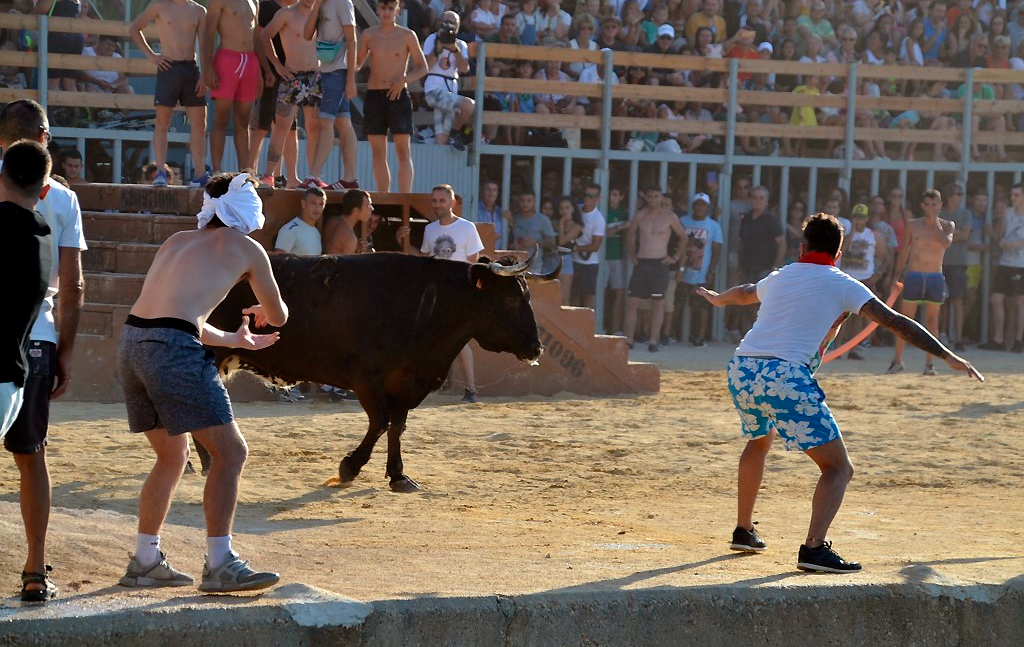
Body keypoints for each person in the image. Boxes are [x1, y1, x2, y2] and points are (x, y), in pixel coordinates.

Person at [699, 213, 983, 574]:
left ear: (801, 247)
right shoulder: (844, 283)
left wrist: (717, 299)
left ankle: (743, 529)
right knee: (838, 469)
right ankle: (813, 549)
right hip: (784, 377)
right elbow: (897, 322)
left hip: (742, 369)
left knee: (758, 441)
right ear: (839, 250)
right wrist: (947, 355)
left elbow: (742, 293)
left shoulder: (782, 274)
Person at [117, 172, 288, 593]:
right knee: (231, 453)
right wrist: (264, 310)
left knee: (172, 456)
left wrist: (235, 340)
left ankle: (144, 561)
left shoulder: (175, 241)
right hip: (171, 351)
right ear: (247, 212)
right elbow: (279, 315)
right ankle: (220, 563)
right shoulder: (247, 248)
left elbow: (176, 316)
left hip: (132, 343)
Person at [0, 140, 55, 601]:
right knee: (30, 456)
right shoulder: (43, 235)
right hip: (22, 366)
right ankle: (35, 568)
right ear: (44, 190)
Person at [397, 184, 484, 403]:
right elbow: (425, 260)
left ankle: (471, 389)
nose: (437, 205)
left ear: (452, 203)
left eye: (441, 201)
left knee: (460, 341)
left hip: (458, 293)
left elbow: (475, 262)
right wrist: (403, 242)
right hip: (435, 293)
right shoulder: (431, 229)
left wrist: (470, 292)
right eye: (434, 201)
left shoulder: (466, 228)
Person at [130, 0, 209, 187]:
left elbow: (205, 44)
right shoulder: (159, 5)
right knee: (162, 122)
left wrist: (205, 74)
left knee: (199, 124)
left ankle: (199, 173)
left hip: (191, 68)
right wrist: (152, 56)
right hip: (168, 68)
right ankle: (160, 173)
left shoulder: (198, 10)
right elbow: (135, 28)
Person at [356, 0, 428, 193]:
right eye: (383, 8)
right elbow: (357, 64)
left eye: (390, 8)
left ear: (397, 9)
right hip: (374, 95)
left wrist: (403, 80)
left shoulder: (407, 35)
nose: (386, 12)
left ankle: (404, 197)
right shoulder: (368, 35)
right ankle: (382, 196)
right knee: (378, 152)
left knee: (403, 151)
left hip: (398, 94)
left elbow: (423, 67)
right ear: (377, 9)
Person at [887, 189, 954, 375]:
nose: (931, 208)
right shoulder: (913, 225)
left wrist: (935, 224)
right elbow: (904, 251)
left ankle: (930, 363)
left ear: (940, 205)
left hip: (934, 277)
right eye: (927, 204)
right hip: (914, 275)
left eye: (934, 204)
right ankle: (897, 360)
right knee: (905, 320)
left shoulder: (947, 225)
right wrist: (896, 276)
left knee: (932, 321)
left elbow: (946, 243)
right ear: (922, 205)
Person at [259, 0, 324, 188]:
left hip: (315, 76)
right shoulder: (286, 14)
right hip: (292, 76)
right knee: (281, 127)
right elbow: (264, 36)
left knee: (314, 128)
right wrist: (278, 65)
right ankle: (269, 175)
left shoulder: (319, 15)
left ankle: (313, 176)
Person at [303, 0, 360, 190]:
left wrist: (351, 79)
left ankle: (314, 175)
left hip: (338, 72)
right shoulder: (320, 4)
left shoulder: (343, 3)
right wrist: (317, 5)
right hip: (326, 71)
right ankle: (350, 179)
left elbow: (352, 40)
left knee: (325, 122)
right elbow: (306, 34)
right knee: (344, 122)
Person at [624, 186, 687, 352]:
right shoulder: (640, 215)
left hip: (659, 264)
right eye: (650, 196)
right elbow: (629, 235)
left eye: (656, 196)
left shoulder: (670, 217)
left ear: (661, 197)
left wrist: (674, 258)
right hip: (642, 262)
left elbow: (683, 237)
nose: (653, 199)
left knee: (658, 303)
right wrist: (632, 255)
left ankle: (653, 340)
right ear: (646, 197)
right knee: (633, 302)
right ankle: (629, 339)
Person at [203, 0, 262, 175]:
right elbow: (209, 34)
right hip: (227, 59)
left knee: (244, 121)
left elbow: (256, 36)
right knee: (221, 118)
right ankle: (217, 171)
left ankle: (246, 173)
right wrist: (207, 66)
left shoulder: (254, 1)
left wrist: (260, 70)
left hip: (250, 61)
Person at [980, 183, 1024, 353]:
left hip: (1020, 264)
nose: (1013, 198)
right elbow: (1000, 235)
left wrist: (1017, 243)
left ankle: (1018, 340)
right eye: (1012, 195)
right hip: (1005, 262)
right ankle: (998, 339)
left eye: (1017, 195)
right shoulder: (1008, 213)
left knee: (1020, 302)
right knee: (996, 299)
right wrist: (1001, 238)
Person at [423, 12, 475, 150]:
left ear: (458, 27)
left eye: (454, 24)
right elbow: (425, 67)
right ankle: (457, 132)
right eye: (447, 22)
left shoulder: (460, 45)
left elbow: (464, 69)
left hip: (450, 92)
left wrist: (454, 49)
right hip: (434, 90)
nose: (449, 26)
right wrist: (438, 48)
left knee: (441, 142)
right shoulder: (432, 39)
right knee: (468, 106)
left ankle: (429, 138)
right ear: (440, 22)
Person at [736, 186, 784, 337]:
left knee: (763, 304)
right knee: (747, 301)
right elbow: (741, 243)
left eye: (761, 198)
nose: (757, 201)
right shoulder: (746, 218)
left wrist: (775, 267)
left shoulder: (771, 220)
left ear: (767, 202)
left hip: (765, 267)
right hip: (747, 266)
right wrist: (739, 266)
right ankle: (754, 334)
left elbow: (782, 244)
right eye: (755, 198)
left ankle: (765, 335)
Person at [678, 192, 722, 347]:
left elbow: (717, 250)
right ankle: (674, 335)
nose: (699, 207)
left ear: (708, 207)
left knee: (701, 307)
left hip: (702, 274)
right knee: (678, 304)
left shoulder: (714, 226)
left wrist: (711, 271)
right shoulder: (682, 221)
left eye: (703, 204)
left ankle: (699, 336)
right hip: (682, 271)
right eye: (697, 204)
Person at [938, 184, 972, 351]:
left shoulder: (965, 214)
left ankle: (958, 338)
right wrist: (953, 234)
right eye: (958, 194)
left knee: (958, 300)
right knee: (942, 301)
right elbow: (937, 236)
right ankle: (942, 335)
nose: (960, 197)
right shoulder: (941, 214)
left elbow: (965, 235)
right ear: (950, 196)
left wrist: (949, 234)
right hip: (941, 262)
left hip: (958, 262)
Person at [571, 183, 606, 309]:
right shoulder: (577, 211)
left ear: (598, 198)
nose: (587, 198)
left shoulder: (598, 219)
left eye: (591, 196)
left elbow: (596, 246)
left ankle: (587, 328)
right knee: (572, 297)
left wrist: (575, 248)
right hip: (573, 261)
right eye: (585, 195)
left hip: (589, 265)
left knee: (587, 298)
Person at [512, 192, 557, 274]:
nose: (525, 204)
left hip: (535, 268)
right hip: (514, 266)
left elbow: (552, 242)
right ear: (519, 202)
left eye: (529, 201)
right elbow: (506, 241)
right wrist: (513, 246)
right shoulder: (514, 219)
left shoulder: (543, 219)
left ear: (534, 202)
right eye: (523, 201)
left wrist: (535, 242)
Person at [274, 186, 325, 254]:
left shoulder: (316, 232)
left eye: (321, 204)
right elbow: (279, 260)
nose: (317, 208)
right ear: (303, 204)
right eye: (313, 203)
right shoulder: (290, 230)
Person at [322, 188, 374, 254]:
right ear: (355, 211)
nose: (372, 208)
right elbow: (347, 264)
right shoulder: (350, 238)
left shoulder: (332, 221)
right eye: (368, 205)